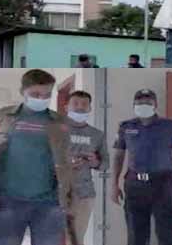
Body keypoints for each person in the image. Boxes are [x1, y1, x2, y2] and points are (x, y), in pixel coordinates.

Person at [0, 69, 75, 245]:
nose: (41, 99)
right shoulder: (1, 116)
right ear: (22, 92)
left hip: (49, 203)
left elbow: (65, 160)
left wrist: (69, 196)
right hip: (7, 201)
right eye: (35, 94)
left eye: (47, 95)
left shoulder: (60, 122)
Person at [111, 89, 172, 245]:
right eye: (139, 103)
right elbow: (118, 156)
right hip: (135, 185)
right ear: (134, 105)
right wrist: (114, 184)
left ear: (155, 105)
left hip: (163, 184)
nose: (143, 106)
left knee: (167, 233)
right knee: (136, 234)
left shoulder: (170, 126)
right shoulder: (126, 127)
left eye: (148, 103)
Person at [65, 90, 109, 245]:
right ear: (66, 107)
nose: (80, 107)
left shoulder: (97, 134)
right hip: (54, 192)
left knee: (76, 238)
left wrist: (94, 162)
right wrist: (65, 164)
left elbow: (105, 164)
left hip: (84, 193)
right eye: (75, 103)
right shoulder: (55, 129)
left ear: (90, 108)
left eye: (84, 104)